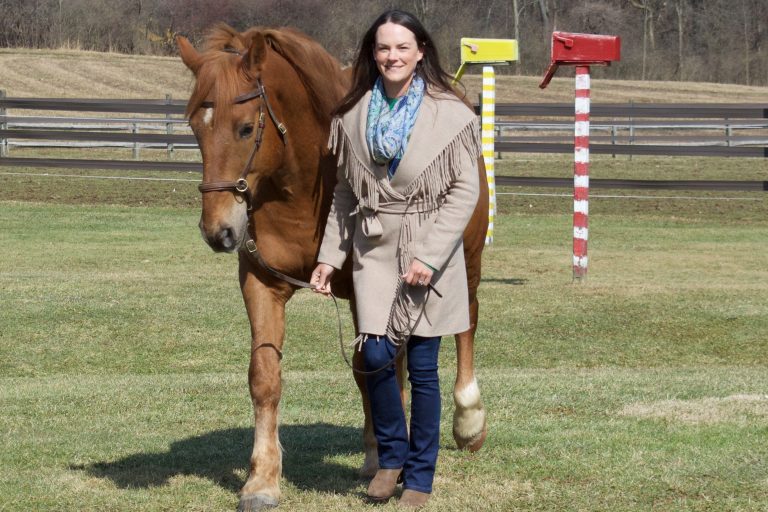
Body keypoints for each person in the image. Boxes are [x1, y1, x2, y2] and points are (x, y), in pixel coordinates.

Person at [310, 9, 480, 509]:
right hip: (374, 250)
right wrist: (328, 258)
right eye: (383, 48)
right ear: (373, 54)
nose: (392, 56)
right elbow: (344, 193)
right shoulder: (353, 115)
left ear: (420, 51)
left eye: (402, 47)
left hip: (430, 250)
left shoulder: (452, 115)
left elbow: (463, 193)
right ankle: (391, 457)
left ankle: (420, 478)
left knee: (423, 366)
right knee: (377, 355)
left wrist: (429, 255)